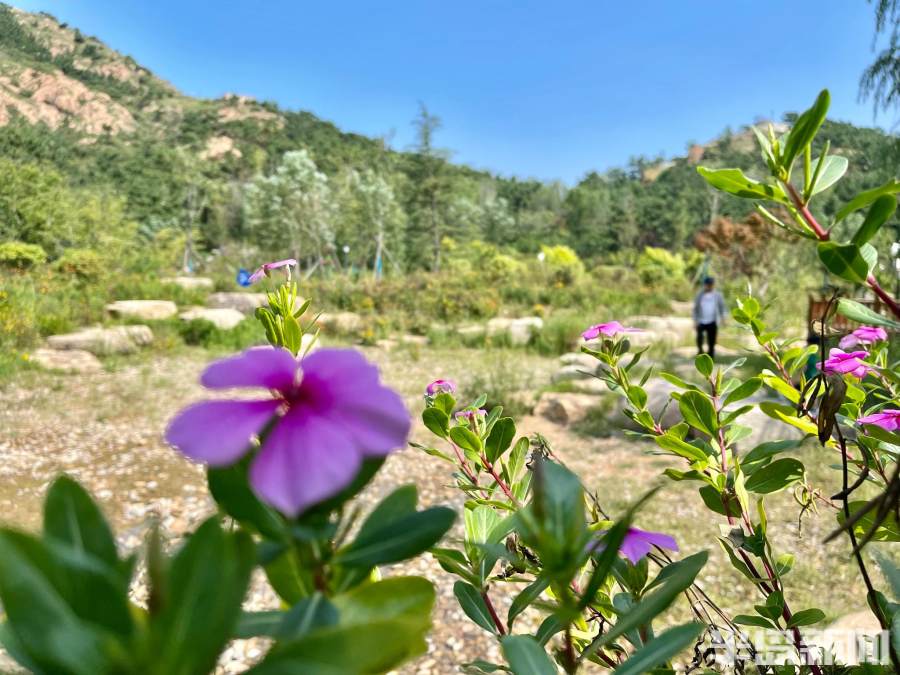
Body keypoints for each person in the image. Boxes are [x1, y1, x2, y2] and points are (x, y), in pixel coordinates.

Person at [693, 276, 726, 358]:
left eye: (711, 284)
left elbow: (722, 307)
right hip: (701, 320)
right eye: (708, 284)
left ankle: (711, 355)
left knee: (711, 339)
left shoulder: (717, 295)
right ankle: (700, 351)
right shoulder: (700, 295)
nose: (709, 286)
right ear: (705, 285)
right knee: (699, 337)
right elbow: (695, 309)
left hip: (712, 320)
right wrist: (695, 321)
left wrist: (723, 318)